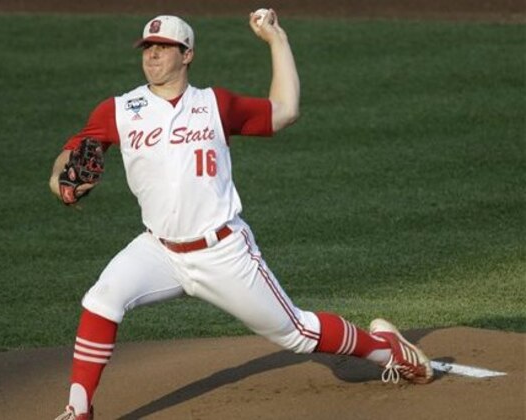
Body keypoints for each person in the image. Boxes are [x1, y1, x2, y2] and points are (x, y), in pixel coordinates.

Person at [51, 11, 433, 420]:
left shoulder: (215, 104)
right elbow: (69, 159)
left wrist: (276, 40)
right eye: (148, 48)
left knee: (298, 334)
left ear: (188, 54)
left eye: (164, 48)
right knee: (102, 299)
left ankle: (387, 349)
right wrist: (62, 181)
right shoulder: (120, 110)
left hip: (223, 251)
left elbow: (285, 110)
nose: (154, 55)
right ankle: (79, 411)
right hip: (158, 250)